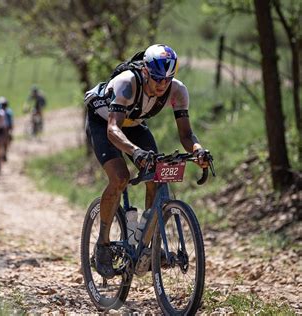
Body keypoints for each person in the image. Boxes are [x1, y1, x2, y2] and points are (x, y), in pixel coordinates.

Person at [85, 44, 210, 279]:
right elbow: (113, 129)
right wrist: (135, 152)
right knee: (120, 177)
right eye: (156, 78)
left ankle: (145, 245)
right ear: (144, 72)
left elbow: (186, 135)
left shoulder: (178, 91)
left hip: (133, 125)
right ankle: (102, 245)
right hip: (104, 123)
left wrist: (198, 150)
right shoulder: (126, 83)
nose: (162, 84)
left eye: (167, 79)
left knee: (157, 175)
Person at [0, 96, 14, 161]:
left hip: (6, 129)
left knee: (6, 141)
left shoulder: (8, 112)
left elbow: (11, 122)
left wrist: (10, 130)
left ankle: (4, 153)